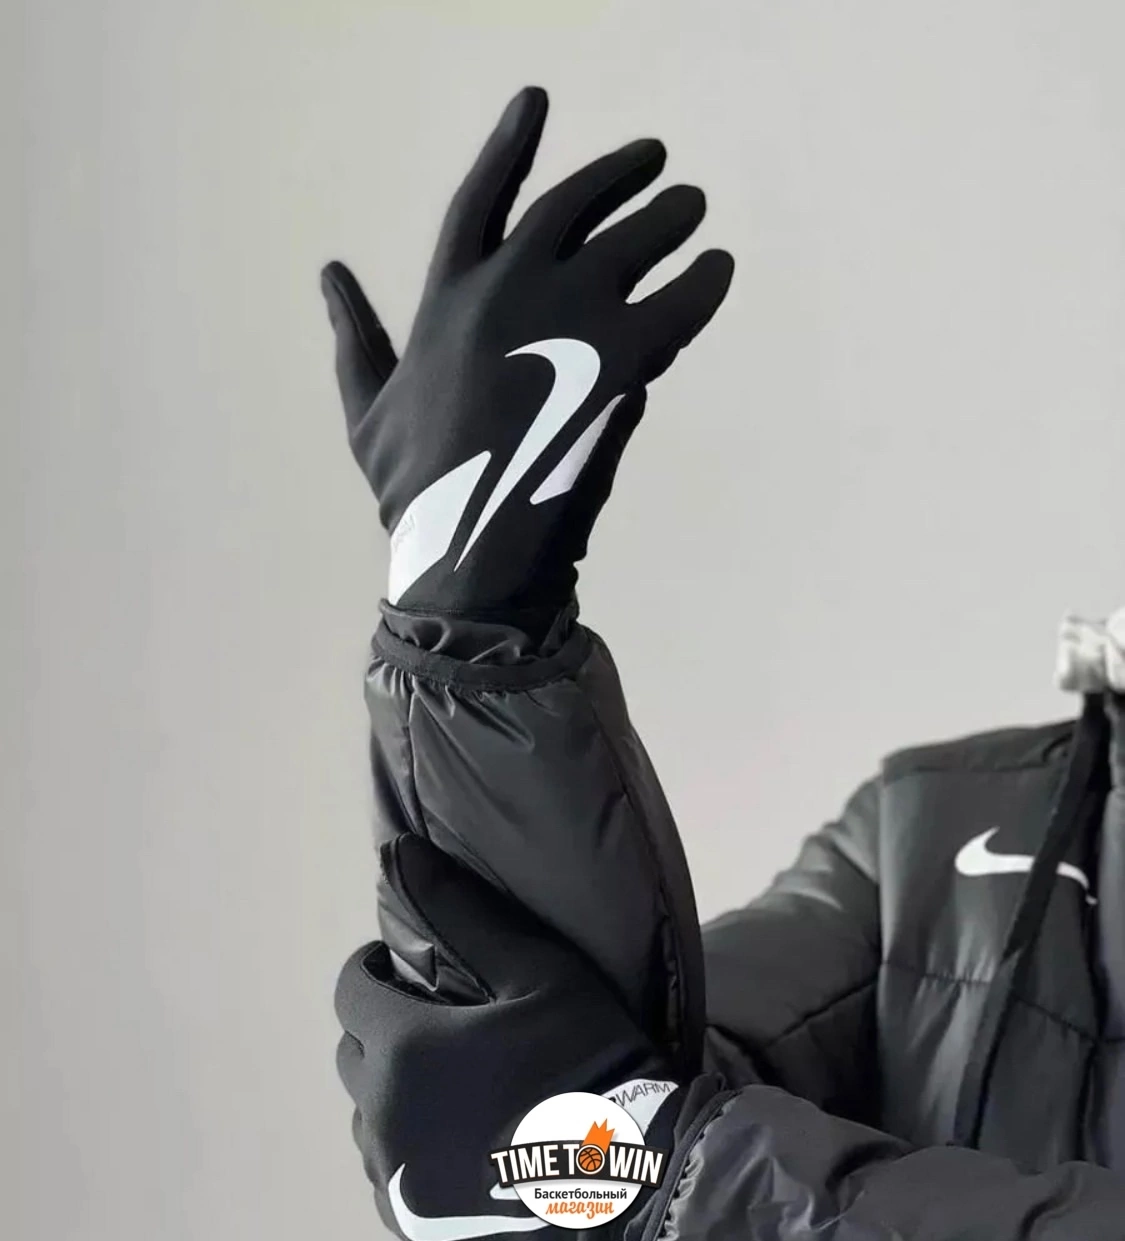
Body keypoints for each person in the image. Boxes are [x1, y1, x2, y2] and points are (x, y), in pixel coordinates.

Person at [320, 86, 1125, 1239]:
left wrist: (673, 1180)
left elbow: (619, 1167)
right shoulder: (932, 832)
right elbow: (560, 1099)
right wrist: (471, 630)